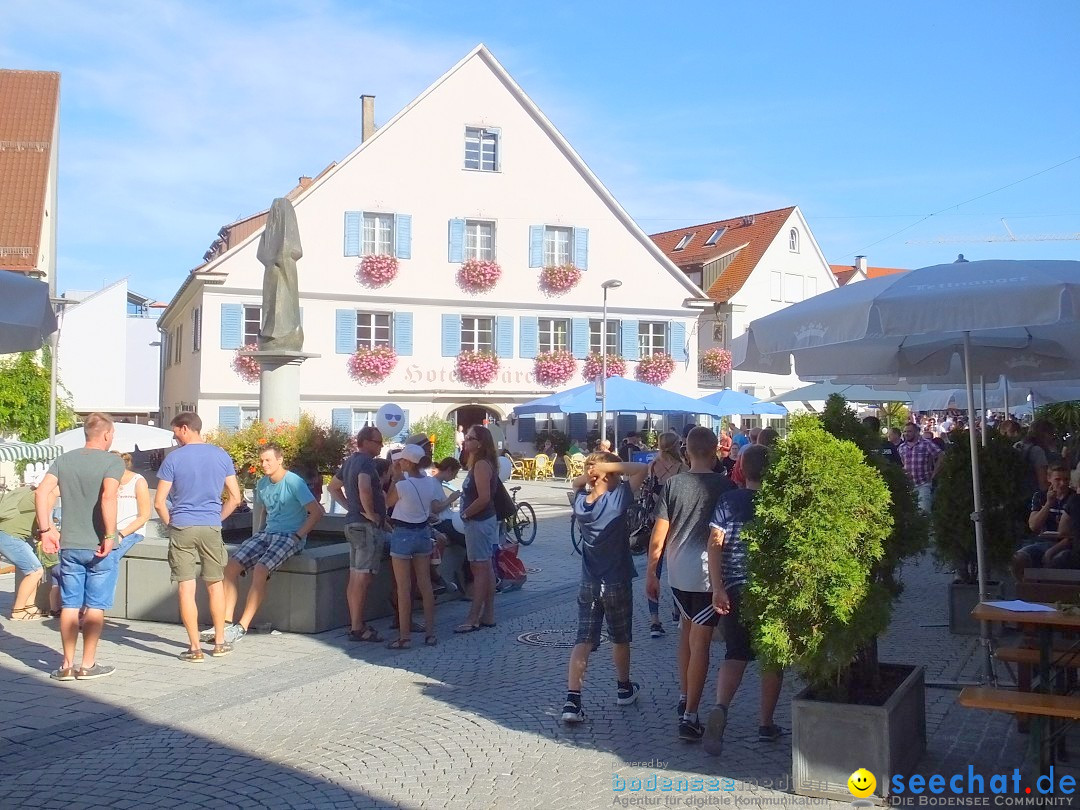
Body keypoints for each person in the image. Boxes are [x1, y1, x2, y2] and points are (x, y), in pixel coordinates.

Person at [646, 427, 735, 741]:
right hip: (707, 575)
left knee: (686, 632)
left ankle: (685, 695)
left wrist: (651, 573)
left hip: (677, 572)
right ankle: (690, 715)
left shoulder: (672, 485)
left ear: (686, 453)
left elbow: (659, 534)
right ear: (715, 452)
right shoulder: (726, 486)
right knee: (701, 644)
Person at [704, 444, 784, 755]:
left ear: (740, 469)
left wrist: (717, 586)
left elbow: (714, 544)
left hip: (734, 588)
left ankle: (720, 708)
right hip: (770, 590)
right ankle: (766, 724)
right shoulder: (778, 503)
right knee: (771, 656)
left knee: (735, 653)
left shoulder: (728, 499)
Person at [34, 412, 124, 680]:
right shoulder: (112, 461)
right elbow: (108, 497)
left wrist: (46, 530)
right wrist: (109, 535)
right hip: (99, 545)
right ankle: (88, 664)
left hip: (70, 544)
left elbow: (41, 492)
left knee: (70, 605)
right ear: (107, 435)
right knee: (95, 605)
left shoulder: (64, 460)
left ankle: (65, 664)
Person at [560, 452, 649, 723]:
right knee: (620, 637)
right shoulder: (616, 499)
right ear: (610, 476)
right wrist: (606, 467)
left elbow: (576, 484)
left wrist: (591, 473)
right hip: (616, 580)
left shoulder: (581, 504)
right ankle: (624, 688)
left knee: (583, 639)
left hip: (589, 582)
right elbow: (642, 469)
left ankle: (572, 701)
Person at [154, 412, 243, 662]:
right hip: (211, 526)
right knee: (215, 585)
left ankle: (194, 648)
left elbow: (159, 502)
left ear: (185, 429)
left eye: (175, 433)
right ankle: (220, 643)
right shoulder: (221, 455)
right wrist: (218, 517)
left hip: (182, 525)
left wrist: (171, 522)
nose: (175, 438)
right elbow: (235, 497)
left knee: (186, 587)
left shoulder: (174, 459)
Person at [217, 443, 324, 644]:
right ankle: (225, 623)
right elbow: (264, 512)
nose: (264, 464)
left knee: (261, 568)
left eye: (268, 460)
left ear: (280, 460)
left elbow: (317, 512)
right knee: (231, 566)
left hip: (289, 535)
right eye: (262, 461)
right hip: (267, 533)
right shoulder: (262, 484)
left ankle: (242, 627)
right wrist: (257, 535)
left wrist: (298, 536)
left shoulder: (294, 482)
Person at [386, 444, 453, 649]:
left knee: (404, 588)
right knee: (425, 585)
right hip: (423, 532)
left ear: (407, 462)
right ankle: (430, 633)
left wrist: (396, 477)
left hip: (403, 534)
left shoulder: (402, 485)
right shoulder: (430, 483)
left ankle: (404, 637)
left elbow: (388, 502)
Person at [328, 425, 388, 643]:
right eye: (378, 442)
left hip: (353, 524)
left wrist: (350, 507)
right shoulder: (364, 461)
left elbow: (333, 487)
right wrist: (371, 513)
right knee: (362, 577)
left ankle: (356, 624)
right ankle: (357, 627)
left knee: (355, 576)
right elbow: (364, 486)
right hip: (364, 527)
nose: (380, 446)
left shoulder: (350, 460)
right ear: (366, 442)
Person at [455, 425, 499, 633]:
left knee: (479, 570)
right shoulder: (483, 463)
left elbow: (484, 498)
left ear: (480, 443)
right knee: (486, 568)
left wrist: (465, 513)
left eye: (470, 438)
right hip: (484, 521)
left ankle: (473, 617)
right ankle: (488, 614)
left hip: (479, 522)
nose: (466, 441)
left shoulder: (481, 465)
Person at [643, 431, 687, 637]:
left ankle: (654, 620)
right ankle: (678, 609)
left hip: (654, 523)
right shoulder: (682, 468)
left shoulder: (652, 466)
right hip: (677, 524)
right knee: (677, 568)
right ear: (676, 445)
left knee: (654, 571)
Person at [98, 452, 152, 609]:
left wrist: (122, 534)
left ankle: (100, 606)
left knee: (110, 556)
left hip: (131, 530)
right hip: (109, 530)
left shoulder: (138, 481)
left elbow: (144, 515)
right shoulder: (107, 482)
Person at [1012, 464, 1074, 579]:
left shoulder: (1074, 498)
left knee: (1057, 560)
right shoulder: (1040, 496)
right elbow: (1034, 526)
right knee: (1018, 559)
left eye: (1066, 479)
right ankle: (1026, 591)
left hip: (1066, 544)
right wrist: (1048, 504)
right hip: (1042, 541)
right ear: (1049, 478)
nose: (1062, 484)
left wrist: (1052, 550)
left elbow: (1073, 534)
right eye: (1058, 480)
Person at [0, 485, 46, 620]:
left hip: (9, 535)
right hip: (10, 536)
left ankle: (29, 606)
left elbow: (27, 518)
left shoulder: (29, 493)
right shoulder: (41, 496)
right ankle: (18, 610)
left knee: (34, 570)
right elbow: (44, 521)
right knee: (35, 571)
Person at [897, 422, 944, 513]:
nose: (906, 433)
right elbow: (904, 463)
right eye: (905, 431)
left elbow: (941, 456)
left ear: (917, 432)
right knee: (910, 514)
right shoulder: (901, 447)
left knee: (924, 513)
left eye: (909, 431)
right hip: (908, 486)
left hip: (924, 484)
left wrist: (934, 473)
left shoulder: (927, 444)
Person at [1017, 419, 1055, 498]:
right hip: (1034, 496)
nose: (1052, 437)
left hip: (1019, 493)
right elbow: (1043, 483)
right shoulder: (1037, 451)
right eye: (1051, 434)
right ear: (1044, 434)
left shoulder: (1018, 445)